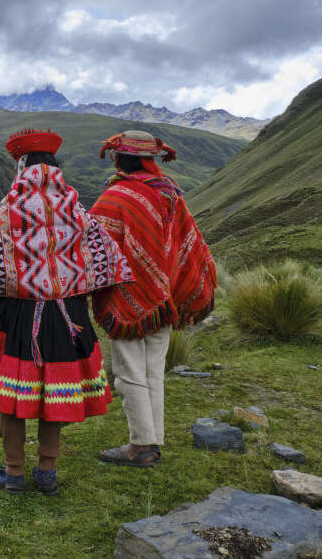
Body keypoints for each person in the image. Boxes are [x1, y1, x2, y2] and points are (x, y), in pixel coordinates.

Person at [0, 128, 133, 495]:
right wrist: (70, 280)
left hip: (19, 317)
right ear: (55, 169)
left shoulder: (10, 209)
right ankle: (47, 471)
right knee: (55, 394)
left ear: (22, 167)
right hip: (68, 317)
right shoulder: (76, 211)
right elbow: (107, 255)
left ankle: (13, 472)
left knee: (14, 397)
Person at [91, 130, 217, 467]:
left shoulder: (116, 197)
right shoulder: (171, 195)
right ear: (150, 160)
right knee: (152, 371)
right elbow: (189, 247)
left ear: (119, 159)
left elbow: (93, 248)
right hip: (164, 301)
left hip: (128, 301)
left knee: (130, 372)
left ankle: (141, 446)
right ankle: (151, 440)